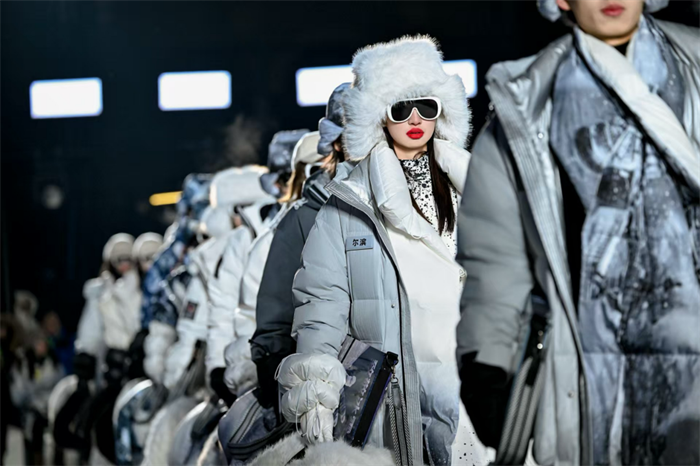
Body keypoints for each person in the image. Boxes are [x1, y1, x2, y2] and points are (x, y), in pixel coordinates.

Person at [456, 1, 700, 465]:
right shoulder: (525, 107)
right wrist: (488, 363)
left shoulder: (693, 73)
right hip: (582, 381)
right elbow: (497, 264)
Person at [277, 36, 476, 466]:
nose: (415, 118)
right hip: (399, 395)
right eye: (400, 108)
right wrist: (316, 388)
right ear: (379, 117)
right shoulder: (350, 204)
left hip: (476, 382)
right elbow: (322, 301)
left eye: (427, 106)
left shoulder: (477, 187)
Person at [251, 83, 351, 414]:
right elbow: (273, 311)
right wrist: (271, 361)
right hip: (325, 386)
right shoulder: (301, 219)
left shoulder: (422, 208)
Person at [205, 131, 308, 405]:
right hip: (257, 364)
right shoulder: (249, 237)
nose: (293, 184)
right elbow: (226, 306)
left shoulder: (328, 219)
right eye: (286, 178)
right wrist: (219, 366)